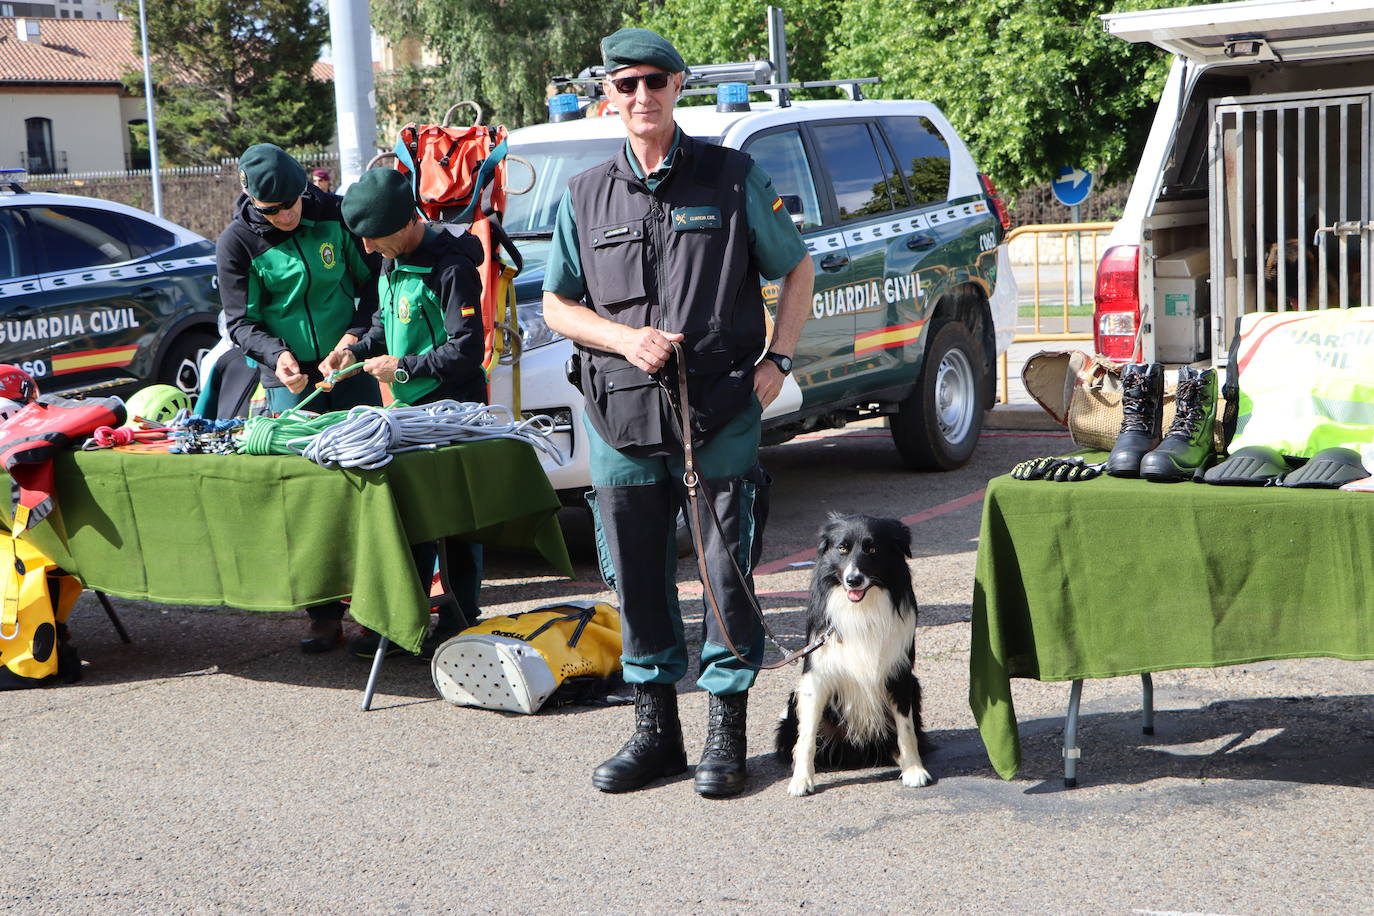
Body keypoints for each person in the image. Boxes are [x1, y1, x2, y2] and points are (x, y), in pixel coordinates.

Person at [541, 27, 814, 798]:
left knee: (727, 572)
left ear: (677, 86)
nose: (640, 96)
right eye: (625, 84)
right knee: (635, 574)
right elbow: (558, 303)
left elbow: (796, 267)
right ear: (608, 94)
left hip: (721, 411)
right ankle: (656, 732)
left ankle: (726, 732)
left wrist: (779, 361)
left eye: (654, 81)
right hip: (621, 417)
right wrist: (623, 339)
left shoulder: (731, 177)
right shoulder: (587, 192)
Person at [216, 143, 382, 654]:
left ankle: (377, 610)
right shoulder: (237, 242)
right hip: (287, 381)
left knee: (367, 485)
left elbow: (373, 285)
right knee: (309, 498)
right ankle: (322, 613)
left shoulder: (334, 215)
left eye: (295, 202)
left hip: (348, 368)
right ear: (249, 199)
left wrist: (353, 341)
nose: (289, 215)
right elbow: (240, 321)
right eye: (275, 210)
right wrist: (277, 356)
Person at [322, 167, 488, 658]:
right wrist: (351, 349)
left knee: (454, 523)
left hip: (454, 414)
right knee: (408, 518)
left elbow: (467, 350)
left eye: (374, 240)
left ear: (404, 224)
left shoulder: (450, 267)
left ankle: (460, 616)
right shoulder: (393, 262)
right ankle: (406, 617)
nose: (368, 251)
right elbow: (382, 320)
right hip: (409, 417)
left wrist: (405, 367)